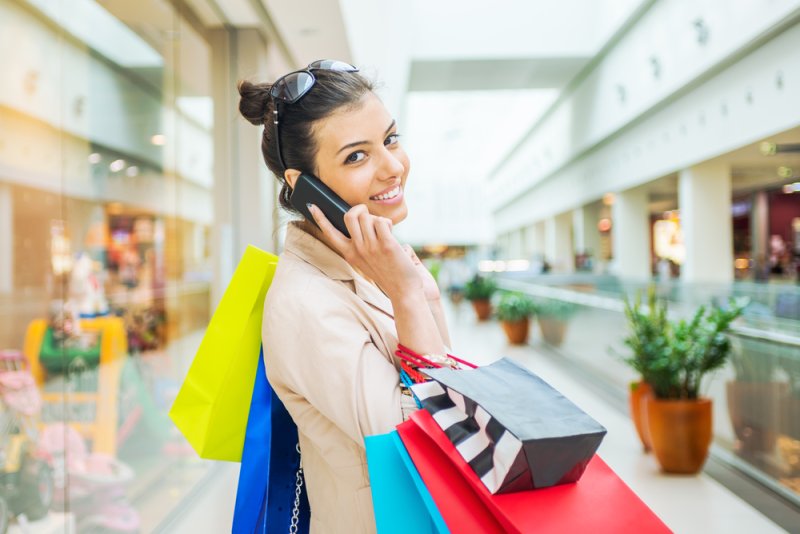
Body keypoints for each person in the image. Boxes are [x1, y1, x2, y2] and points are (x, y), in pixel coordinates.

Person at [238, 60, 451, 533]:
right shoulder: (305, 303)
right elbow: (426, 444)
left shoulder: (376, 260)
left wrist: (409, 288)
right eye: (357, 156)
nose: (393, 167)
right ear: (304, 186)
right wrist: (408, 295)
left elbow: (447, 382)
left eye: (390, 140)